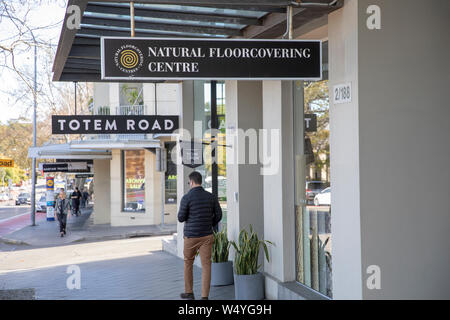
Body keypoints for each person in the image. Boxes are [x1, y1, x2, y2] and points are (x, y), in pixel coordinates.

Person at [178, 171, 222, 300]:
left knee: (188, 263)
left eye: (188, 182)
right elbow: (219, 215)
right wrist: (210, 224)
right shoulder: (211, 197)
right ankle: (204, 297)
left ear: (191, 182)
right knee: (206, 266)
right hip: (206, 236)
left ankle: (189, 293)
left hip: (190, 237)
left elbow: (181, 218)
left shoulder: (186, 198)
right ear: (200, 181)